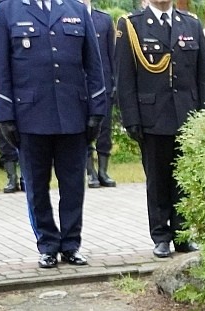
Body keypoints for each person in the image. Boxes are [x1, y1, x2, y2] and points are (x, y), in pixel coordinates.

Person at [0, 0, 107, 268]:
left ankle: (71, 243)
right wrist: (5, 115)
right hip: (30, 116)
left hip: (72, 113)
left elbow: (94, 66)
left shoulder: (76, 10)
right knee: (36, 188)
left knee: (74, 186)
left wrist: (97, 109)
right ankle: (48, 244)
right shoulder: (3, 11)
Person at [116, 0, 205, 258]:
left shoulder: (190, 23)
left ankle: (182, 235)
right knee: (158, 181)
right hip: (152, 117)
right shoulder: (132, 25)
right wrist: (131, 118)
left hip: (187, 115)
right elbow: (124, 77)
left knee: (184, 180)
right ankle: (160, 236)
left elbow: (204, 76)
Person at [85, 0, 116, 188]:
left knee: (105, 129)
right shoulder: (68, 17)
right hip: (80, 85)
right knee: (84, 129)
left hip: (103, 83)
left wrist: (114, 82)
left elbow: (112, 54)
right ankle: (90, 172)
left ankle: (104, 170)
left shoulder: (104, 20)